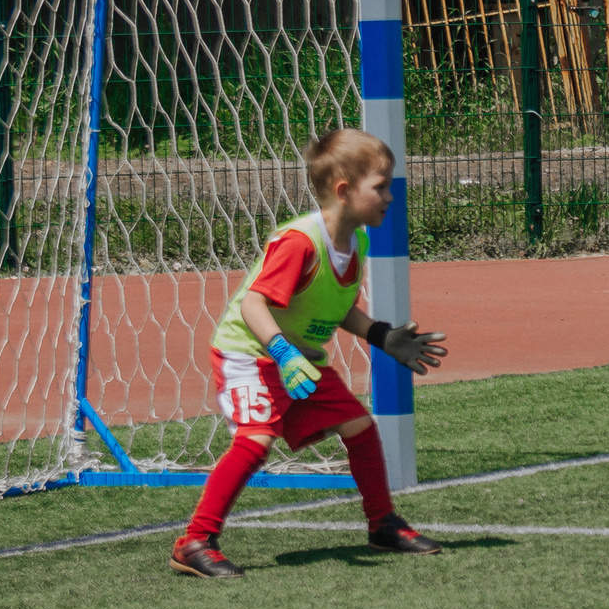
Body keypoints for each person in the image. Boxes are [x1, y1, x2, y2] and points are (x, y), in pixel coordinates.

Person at [172, 128, 448, 579]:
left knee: (359, 426)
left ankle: (382, 524)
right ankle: (194, 540)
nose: (389, 197)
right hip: (251, 353)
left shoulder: (355, 242)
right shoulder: (300, 241)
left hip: (296, 358)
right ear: (344, 191)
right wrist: (281, 352)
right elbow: (253, 303)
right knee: (257, 437)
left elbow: (335, 308)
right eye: (380, 187)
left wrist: (381, 334)